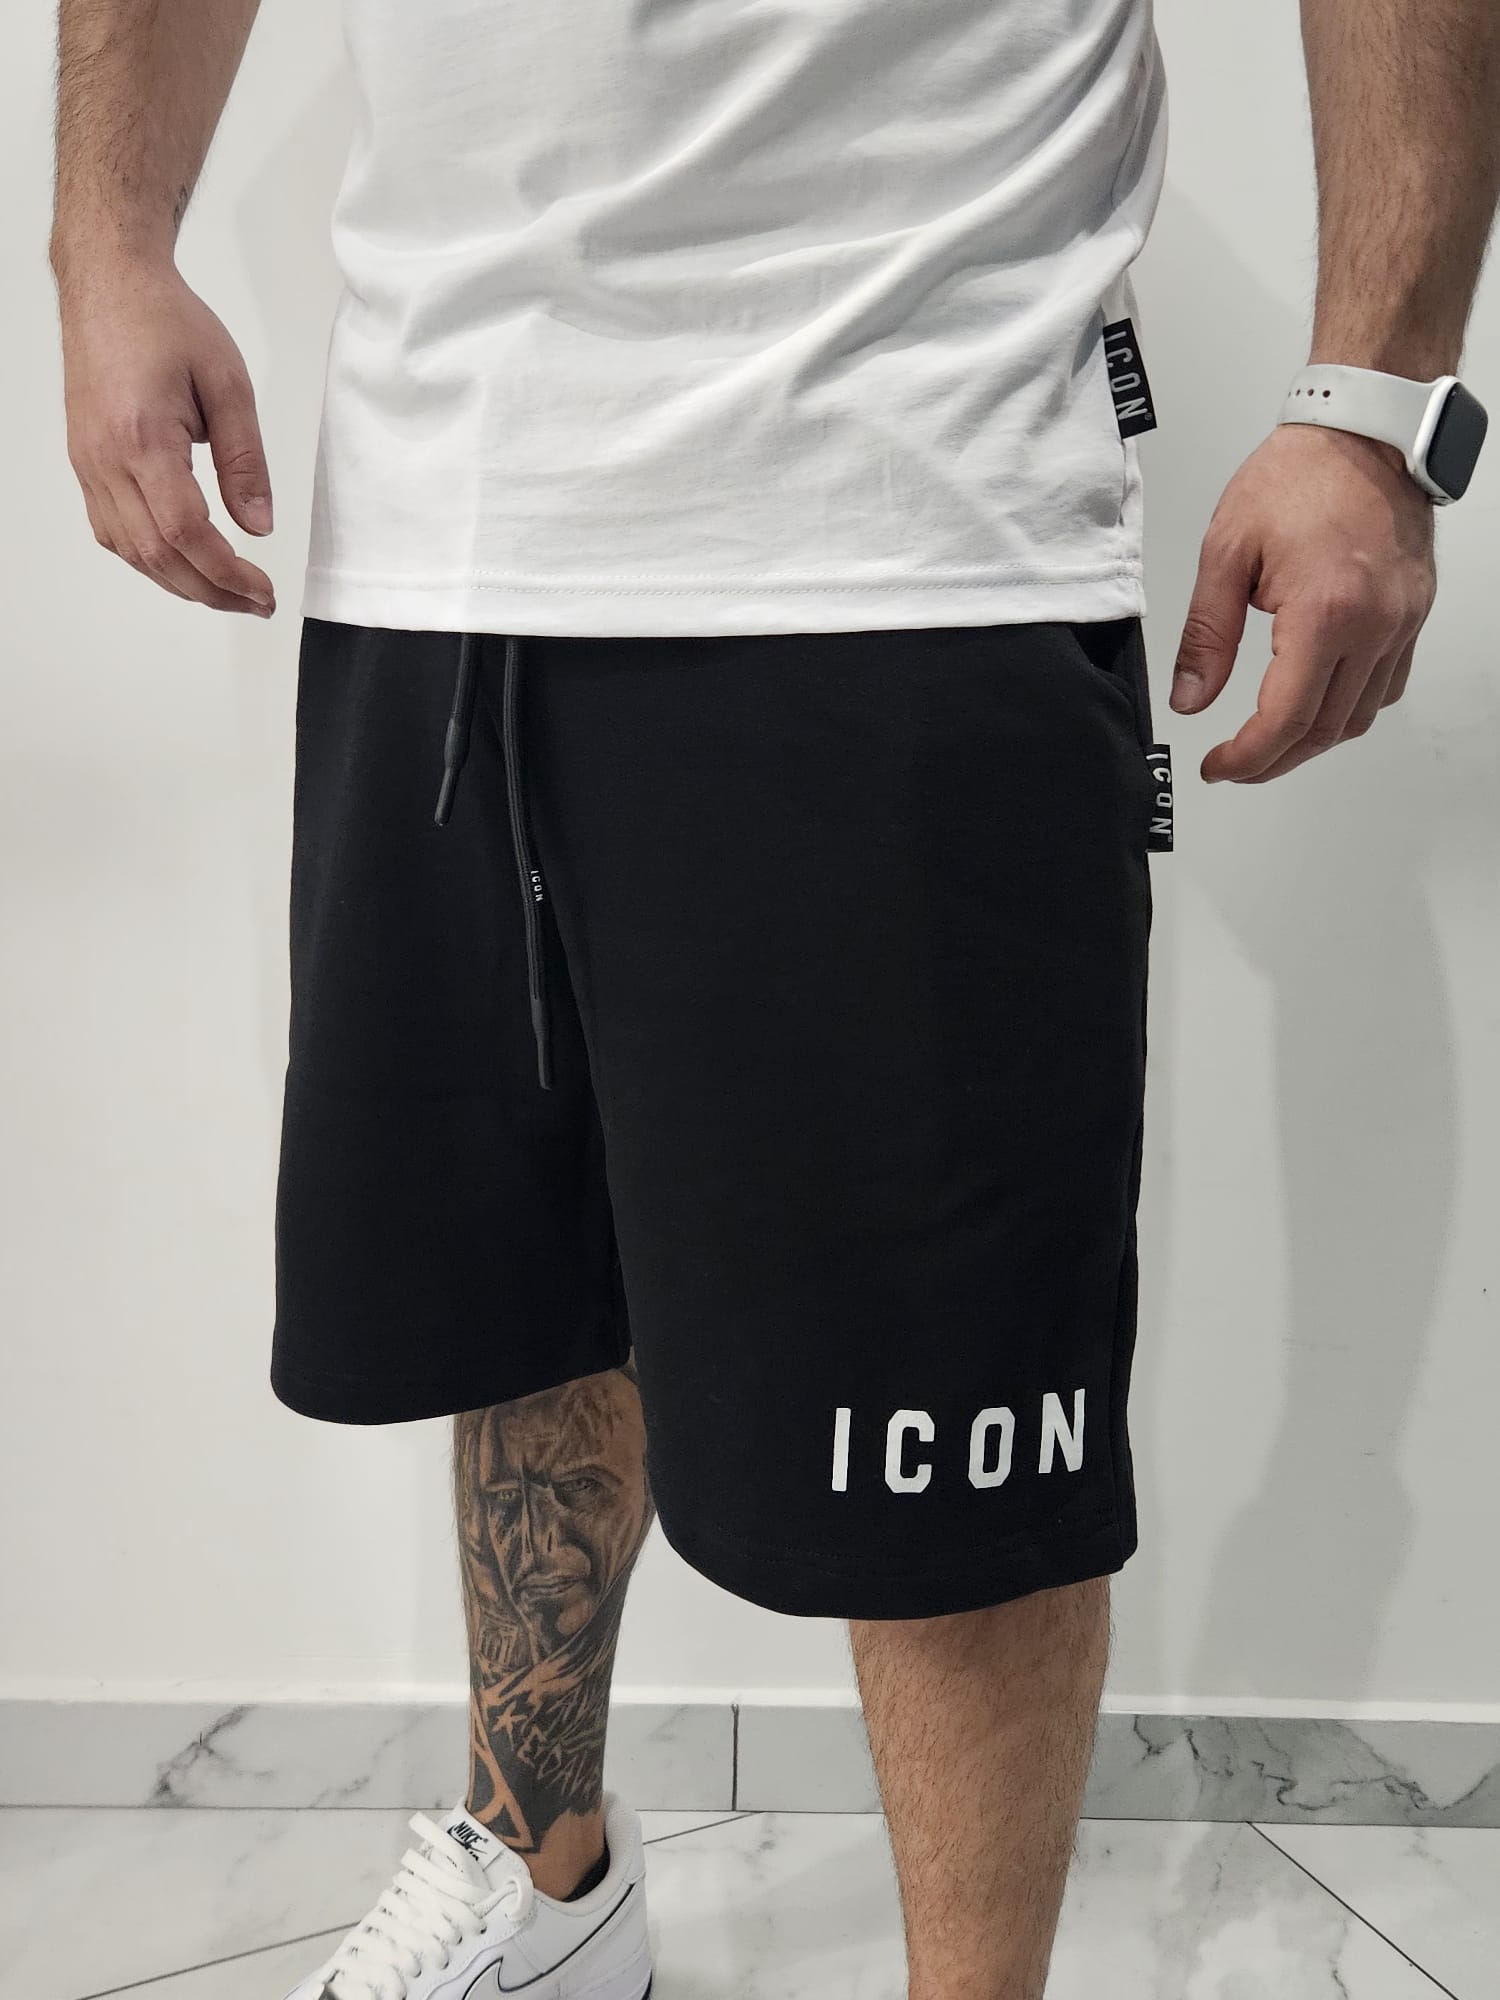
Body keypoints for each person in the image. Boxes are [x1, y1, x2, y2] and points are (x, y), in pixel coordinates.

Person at [48, 0, 1496, 1986]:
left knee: (952, 1437)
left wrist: (1376, 403)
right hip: (445, 525)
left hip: (897, 518)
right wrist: (107, 246)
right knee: (526, 1283)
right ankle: (546, 1881)